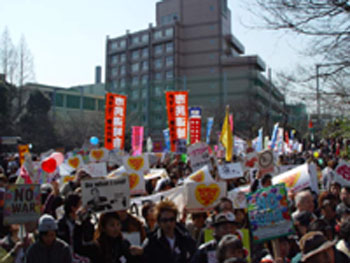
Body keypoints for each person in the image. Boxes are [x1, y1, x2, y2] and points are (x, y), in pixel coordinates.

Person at [76, 212, 142, 263]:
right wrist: (80, 225)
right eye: (112, 225)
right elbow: (79, 248)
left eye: (118, 224)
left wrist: (139, 254)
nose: (116, 228)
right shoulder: (97, 246)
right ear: (104, 228)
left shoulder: (124, 243)